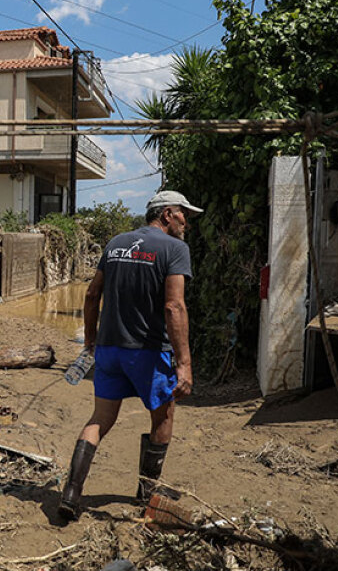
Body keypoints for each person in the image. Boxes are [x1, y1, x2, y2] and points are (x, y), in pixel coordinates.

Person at [57, 190, 202, 521]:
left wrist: (90, 340)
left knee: (100, 419)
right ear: (167, 214)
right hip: (148, 353)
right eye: (184, 214)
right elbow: (174, 306)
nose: (187, 222)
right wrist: (184, 364)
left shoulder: (115, 244)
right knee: (163, 417)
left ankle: (71, 494)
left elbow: (92, 294)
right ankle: (148, 494)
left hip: (109, 350)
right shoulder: (175, 249)